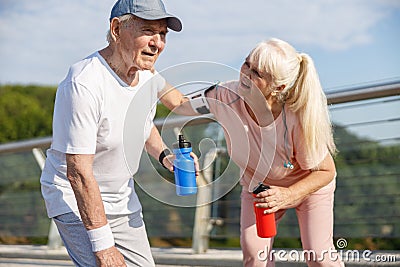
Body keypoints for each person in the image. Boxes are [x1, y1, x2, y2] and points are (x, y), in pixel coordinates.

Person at [40, 0, 198, 266]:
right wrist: (104, 247)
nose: (157, 43)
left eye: (162, 34)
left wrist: (166, 156)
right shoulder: (84, 83)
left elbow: (177, 107)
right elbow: (78, 172)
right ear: (116, 29)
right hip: (75, 198)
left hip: (121, 198)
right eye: (148, 31)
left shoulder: (147, 75)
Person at [160, 38, 344, 266]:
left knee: (318, 254)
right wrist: (151, 77)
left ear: (279, 87)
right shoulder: (224, 95)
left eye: (258, 73)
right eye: (247, 63)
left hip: (308, 186)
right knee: (254, 255)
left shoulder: (297, 116)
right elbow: (182, 105)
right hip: (259, 187)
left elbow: (325, 171)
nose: (246, 73)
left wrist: (289, 195)